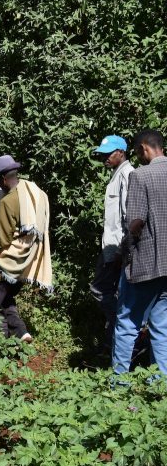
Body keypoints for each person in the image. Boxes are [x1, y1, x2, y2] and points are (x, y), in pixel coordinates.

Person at [116, 130, 167, 376]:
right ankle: (161, 384)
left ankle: (118, 384)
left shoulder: (140, 175)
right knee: (162, 327)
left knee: (127, 323)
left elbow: (135, 223)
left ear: (145, 148)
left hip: (147, 264)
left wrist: (126, 247)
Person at [0, 155, 52, 342]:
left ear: (4, 179)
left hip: (5, 263)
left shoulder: (8, 201)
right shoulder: (35, 192)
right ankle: (22, 333)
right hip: (27, 259)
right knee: (7, 300)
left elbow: (4, 240)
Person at [90, 135, 134, 356]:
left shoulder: (127, 175)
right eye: (103, 154)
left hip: (117, 248)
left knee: (99, 290)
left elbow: (129, 216)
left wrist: (121, 249)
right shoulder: (117, 175)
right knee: (113, 293)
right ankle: (114, 342)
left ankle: (129, 331)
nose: (105, 158)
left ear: (121, 153)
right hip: (111, 247)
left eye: (109, 154)